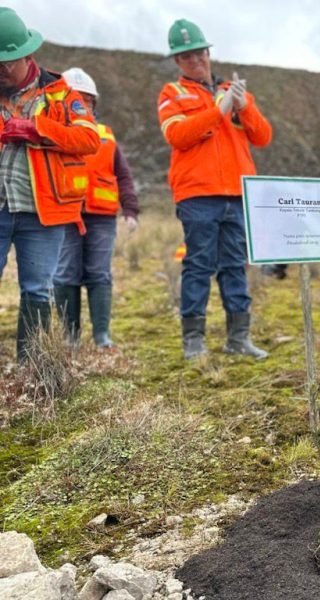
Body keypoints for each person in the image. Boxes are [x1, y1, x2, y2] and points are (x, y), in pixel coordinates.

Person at [157, 18, 272, 360]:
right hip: (197, 195)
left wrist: (243, 106)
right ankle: (194, 340)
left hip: (237, 194)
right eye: (186, 56)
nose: (195, 60)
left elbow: (263, 136)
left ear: (208, 52)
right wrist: (218, 110)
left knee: (235, 265)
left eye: (199, 53)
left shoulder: (235, 92)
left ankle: (239, 338)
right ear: (177, 61)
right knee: (198, 264)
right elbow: (178, 135)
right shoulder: (171, 94)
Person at [0, 7, 99, 362]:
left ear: (26, 55)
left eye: (4, 63)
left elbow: (89, 139)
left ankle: (34, 368)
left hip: (44, 215)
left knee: (37, 290)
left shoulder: (62, 95)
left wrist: (37, 130)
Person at [53, 67, 139, 349]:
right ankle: (71, 337)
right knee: (66, 272)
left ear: (94, 103)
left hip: (102, 218)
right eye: (76, 98)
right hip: (65, 214)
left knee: (99, 272)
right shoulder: (54, 133)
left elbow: (123, 175)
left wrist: (130, 210)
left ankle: (102, 336)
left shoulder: (107, 136)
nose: (82, 104)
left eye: (87, 99)